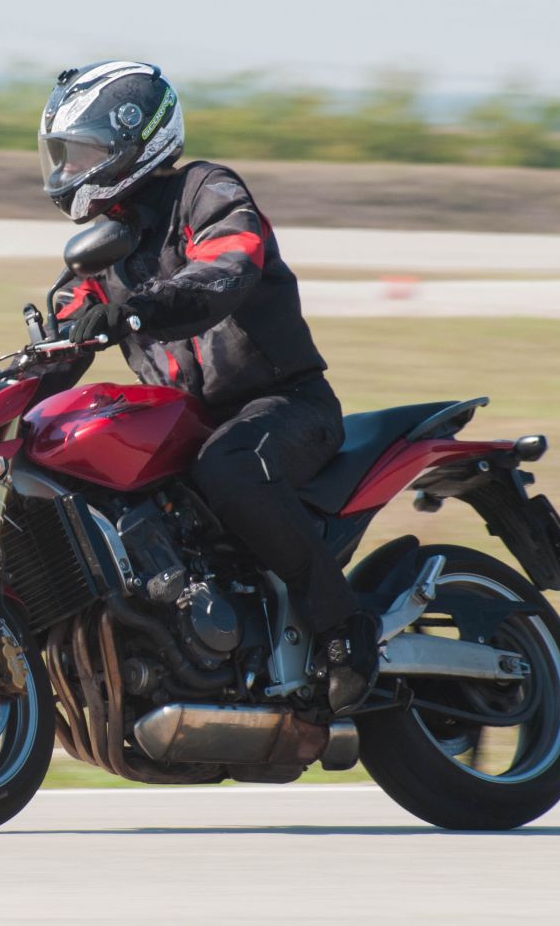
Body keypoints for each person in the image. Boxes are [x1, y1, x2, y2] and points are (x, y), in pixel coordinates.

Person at [36, 60, 378, 715]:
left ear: (133, 141)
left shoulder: (205, 191)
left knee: (230, 466)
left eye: (83, 152)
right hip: (189, 425)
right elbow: (61, 334)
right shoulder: (104, 247)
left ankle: (344, 627)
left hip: (284, 405)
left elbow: (226, 269)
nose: (70, 168)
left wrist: (137, 311)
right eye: (64, 154)